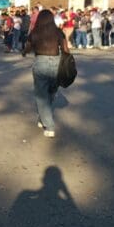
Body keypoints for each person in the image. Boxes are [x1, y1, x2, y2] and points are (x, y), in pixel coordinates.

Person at [22, 9, 70, 138]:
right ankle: (42, 118)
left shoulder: (35, 32)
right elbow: (66, 50)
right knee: (50, 93)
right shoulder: (58, 32)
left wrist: (24, 52)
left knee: (41, 95)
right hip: (56, 63)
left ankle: (49, 126)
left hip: (40, 63)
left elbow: (27, 47)